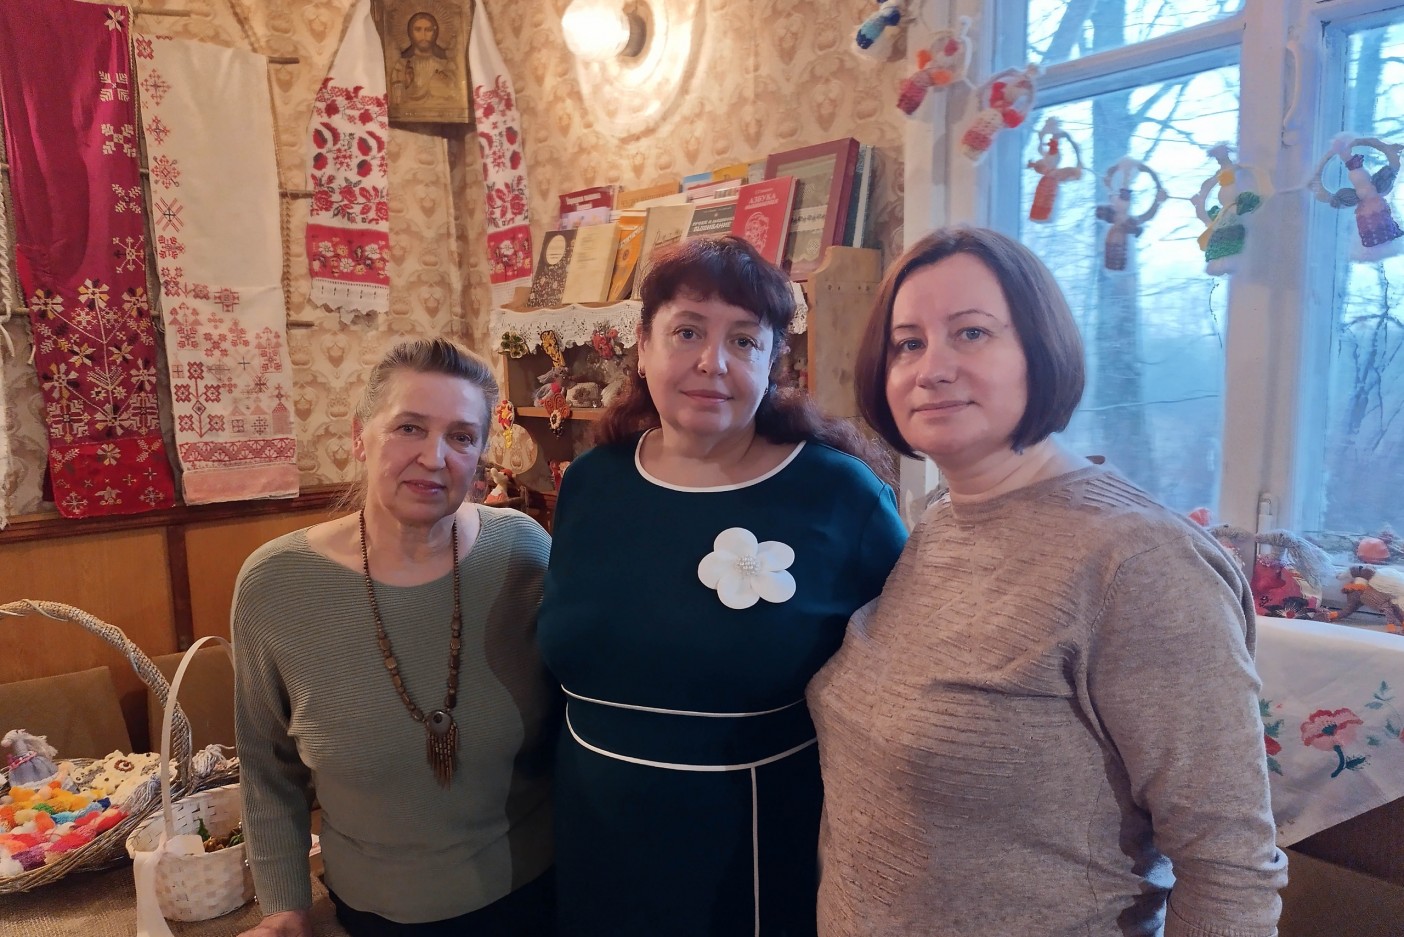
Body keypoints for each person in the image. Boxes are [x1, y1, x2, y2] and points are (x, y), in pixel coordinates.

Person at [807, 226, 1288, 936]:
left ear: (1042, 349)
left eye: (971, 333)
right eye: (908, 343)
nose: (931, 369)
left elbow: (1230, 869)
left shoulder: (1140, 563)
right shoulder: (940, 521)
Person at [537, 235, 908, 935]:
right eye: (687, 332)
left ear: (773, 361)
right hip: (594, 838)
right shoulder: (592, 482)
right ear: (642, 346)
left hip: (754, 854)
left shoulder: (838, 496)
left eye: (744, 340)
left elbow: (907, 690)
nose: (714, 362)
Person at [233, 339, 556, 937]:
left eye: (461, 436)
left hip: (536, 896)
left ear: (480, 454)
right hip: (371, 913)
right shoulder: (274, 585)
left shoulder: (525, 553)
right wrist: (285, 907)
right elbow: (267, 767)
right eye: (410, 428)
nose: (434, 457)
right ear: (360, 436)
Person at [390, 12, 458, 110]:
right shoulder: (402, 66)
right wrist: (406, 85)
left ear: (435, 33)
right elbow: (395, 103)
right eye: (418, 30)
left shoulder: (446, 65)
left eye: (428, 30)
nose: (423, 35)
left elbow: (456, 97)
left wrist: (444, 84)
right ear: (410, 33)